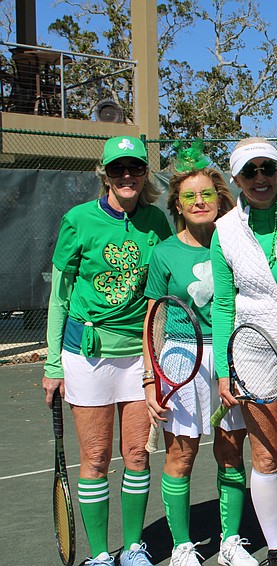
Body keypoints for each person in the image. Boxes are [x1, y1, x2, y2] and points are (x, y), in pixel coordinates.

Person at [42, 136, 173, 566]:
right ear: (106, 175)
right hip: (88, 354)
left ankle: (134, 547)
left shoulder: (156, 220)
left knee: (136, 454)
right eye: (118, 169)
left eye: (134, 167)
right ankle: (100, 554)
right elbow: (60, 297)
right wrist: (53, 361)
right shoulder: (78, 220)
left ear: (144, 173)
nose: (127, 176)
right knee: (96, 457)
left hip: (139, 356)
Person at [141, 144, 258, 566]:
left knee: (230, 449)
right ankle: (182, 548)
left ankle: (230, 543)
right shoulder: (164, 252)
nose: (199, 202)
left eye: (206, 195)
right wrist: (151, 376)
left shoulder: (238, 244)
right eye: (189, 196)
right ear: (177, 204)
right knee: (181, 453)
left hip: (232, 355)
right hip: (179, 357)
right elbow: (153, 316)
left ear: (220, 199)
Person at [211, 138, 277, 566]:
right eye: (250, 171)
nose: (261, 178)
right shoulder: (224, 230)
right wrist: (224, 370)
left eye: (268, 169)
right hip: (251, 350)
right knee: (266, 453)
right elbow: (223, 304)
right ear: (236, 178)